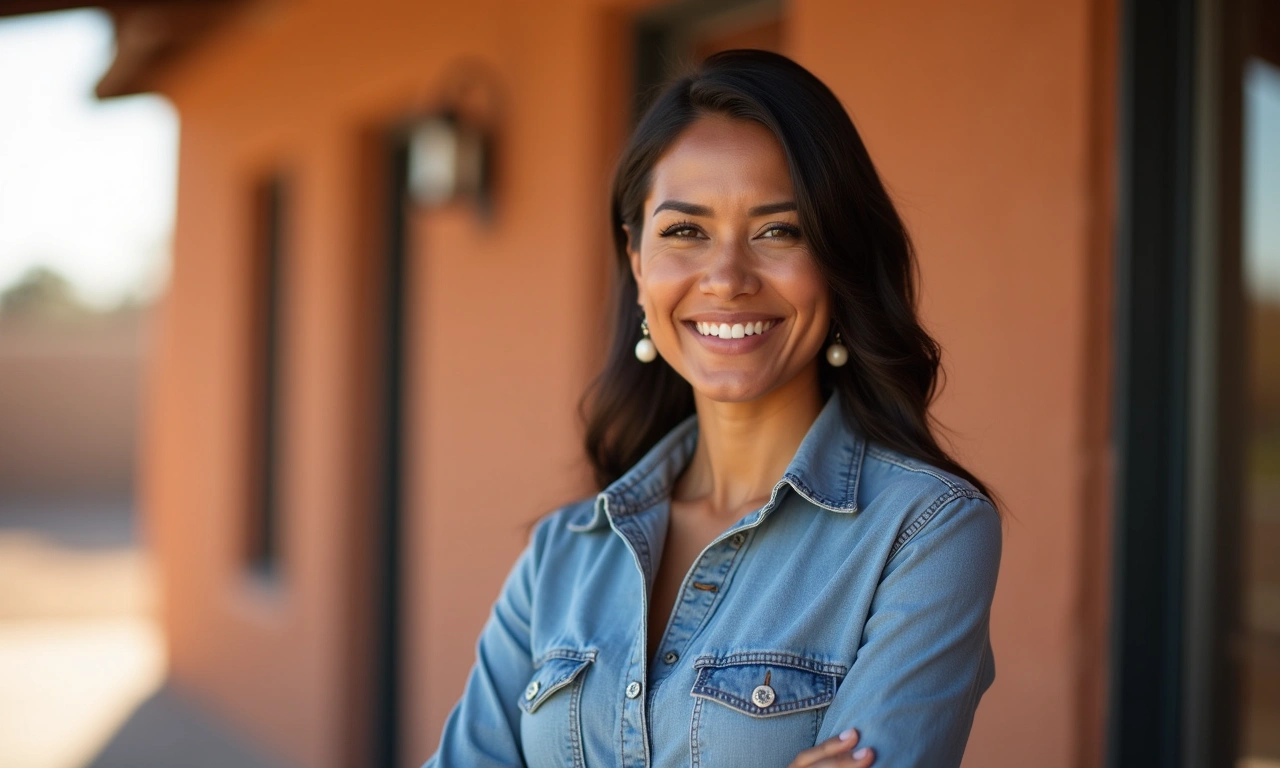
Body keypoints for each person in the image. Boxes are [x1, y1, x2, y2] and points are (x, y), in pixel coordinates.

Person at [422, 48, 1002, 768]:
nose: (726, 278)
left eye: (778, 231)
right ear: (637, 261)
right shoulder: (563, 553)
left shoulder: (924, 534)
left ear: (839, 259)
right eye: (685, 231)